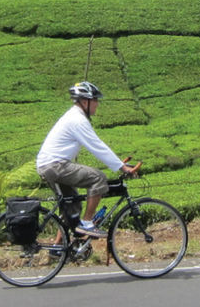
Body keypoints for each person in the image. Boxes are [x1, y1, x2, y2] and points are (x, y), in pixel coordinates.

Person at [36, 81, 137, 239]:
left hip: (51, 165)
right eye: (95, 100)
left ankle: (57, 249)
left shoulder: (75, 116)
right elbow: (97, 146)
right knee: (98, 178)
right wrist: (122, 167)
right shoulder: (77, 120)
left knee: (72, 207)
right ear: (85, 101)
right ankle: (88, 224)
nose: (97, 104)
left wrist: (119, 164)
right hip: (55, 166)